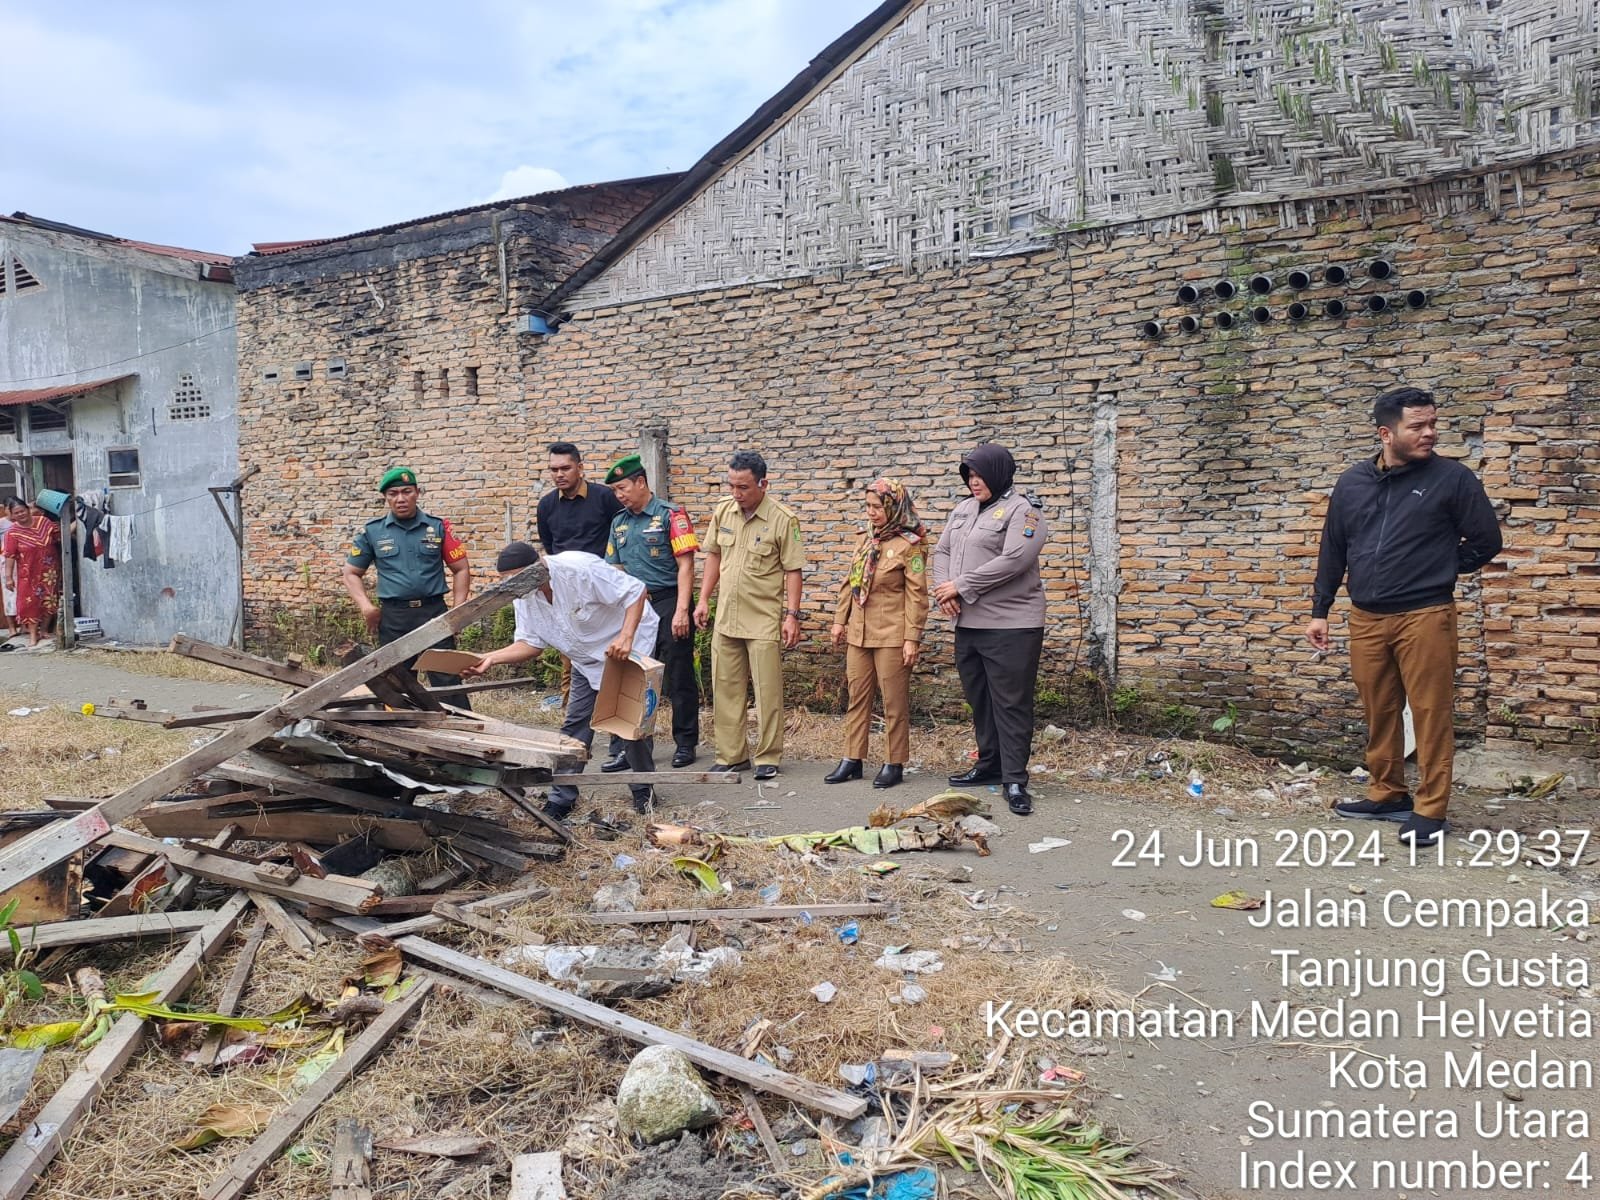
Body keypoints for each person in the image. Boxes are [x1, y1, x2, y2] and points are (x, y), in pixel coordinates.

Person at [1307, 386, 1503, 848]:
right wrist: (1320, 611)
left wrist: (1439, 567)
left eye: (1432, 423)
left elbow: (1486, 541)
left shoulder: (1452, 478)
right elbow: (1334, 547)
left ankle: (1430, 810)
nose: (1429, 433)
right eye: (1417, 426)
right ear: (1386, 433)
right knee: (1380, 710)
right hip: (1366, 618)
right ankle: (1386, 793)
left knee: (1432, 714)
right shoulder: (1352, 483)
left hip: (1425, 615)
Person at [463, 545, 657, 817]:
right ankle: (562, 796)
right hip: (585, 658)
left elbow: (635, 591)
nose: (513, 585)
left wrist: (625, 636)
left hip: (626, 646)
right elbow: (530, 643)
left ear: (539, 566)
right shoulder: (523, 595)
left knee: (629, 724)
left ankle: (643, 791)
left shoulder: (580, 568)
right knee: (575, 725)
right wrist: (490, 658)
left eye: (517, 577)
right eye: (507, 580)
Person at [931, 444, 1048, 816]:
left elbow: (1015, 559)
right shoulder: (964, 509)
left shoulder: (1024, 511)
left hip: (1012, 625)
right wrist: (944, 592)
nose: (973, 481)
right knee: (979, 700)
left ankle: (1014, 778)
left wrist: (961, 586)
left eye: (979, 475)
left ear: (998, 474)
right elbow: (942, 552)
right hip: (968, 623)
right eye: (968, 475)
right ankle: (989, 765)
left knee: (1010, 703)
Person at [693, 451, 803, 780]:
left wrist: (792, 615)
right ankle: (731, 755)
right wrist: (703, 601)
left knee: (767, 690)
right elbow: (713, 557)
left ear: (763, 484)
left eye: (743, 487)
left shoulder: (783, 519)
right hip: (727, 616)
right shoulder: (723, 512)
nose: (736, 494)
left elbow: (793, 570)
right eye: (732, 486)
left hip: (763, 618)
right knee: (725, 688)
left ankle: (768, 756)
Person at [827, 479, 929, 789]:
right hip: (859, 632)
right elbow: (850, 583)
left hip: (892, 635)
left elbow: (917, 595)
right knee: (857, 697)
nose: (871, 513)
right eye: (868, 507)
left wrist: (912, 638)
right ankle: (852, 758)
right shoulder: (864, 539)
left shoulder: (910, 544)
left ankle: (893, 762)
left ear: (893, 507)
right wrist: (839, 621)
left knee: (893, 703)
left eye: (877, 507)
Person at [603, 454, 701, 768]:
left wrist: (682, 610)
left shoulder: (671, 515)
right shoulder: (619, 523)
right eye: (615, 490)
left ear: (641, 482)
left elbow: (686, 565)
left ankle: (685, 744)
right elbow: (614, 570)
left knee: (677, 675)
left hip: (668, 600)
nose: (619, 495)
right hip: (634, 607)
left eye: (623, 487)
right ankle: (628, 747)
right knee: (632, 676)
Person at [340, 467, 473, 695]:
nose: (400, 499)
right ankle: (402, 729)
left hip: (434, 615)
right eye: (393, 494)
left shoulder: (438, 527)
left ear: (417, 493)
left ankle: (459, 727)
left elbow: (461, 568)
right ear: (385, 498)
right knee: (397, 684)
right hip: (394, 619)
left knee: (448, 683)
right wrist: (366, 607)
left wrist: (458, 609)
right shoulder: (373, 532)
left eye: (406, 491)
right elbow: (351, 573)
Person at [536, 442, 623, 558]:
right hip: (564, 572)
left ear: (580, 468)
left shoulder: (604, 497)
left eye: (565, 468)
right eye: (554, 470)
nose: (559, 475)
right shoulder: (545, 505)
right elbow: (548, 543)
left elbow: (621, 533)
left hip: (599, 571)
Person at [1, 498, 62, 649]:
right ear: (12, 515)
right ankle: (33, 634)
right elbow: (9, 555)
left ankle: (45, 630)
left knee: (50, 599)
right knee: (29, 602)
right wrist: (8, 577)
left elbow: (60, 535)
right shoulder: (12, 533)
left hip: (49, 571)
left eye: (22, 511)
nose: (20, 514)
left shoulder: (44, 522)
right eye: (16, 513)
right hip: (27, 573)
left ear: (28, 510)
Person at [0, 500, 17, 640]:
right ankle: (11, 627)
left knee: (24, 593)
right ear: (5, 509)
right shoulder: (2, 523)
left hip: (23, 560)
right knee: (9, 593)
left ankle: (24, 625)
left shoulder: (23, 522)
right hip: (6, 560)